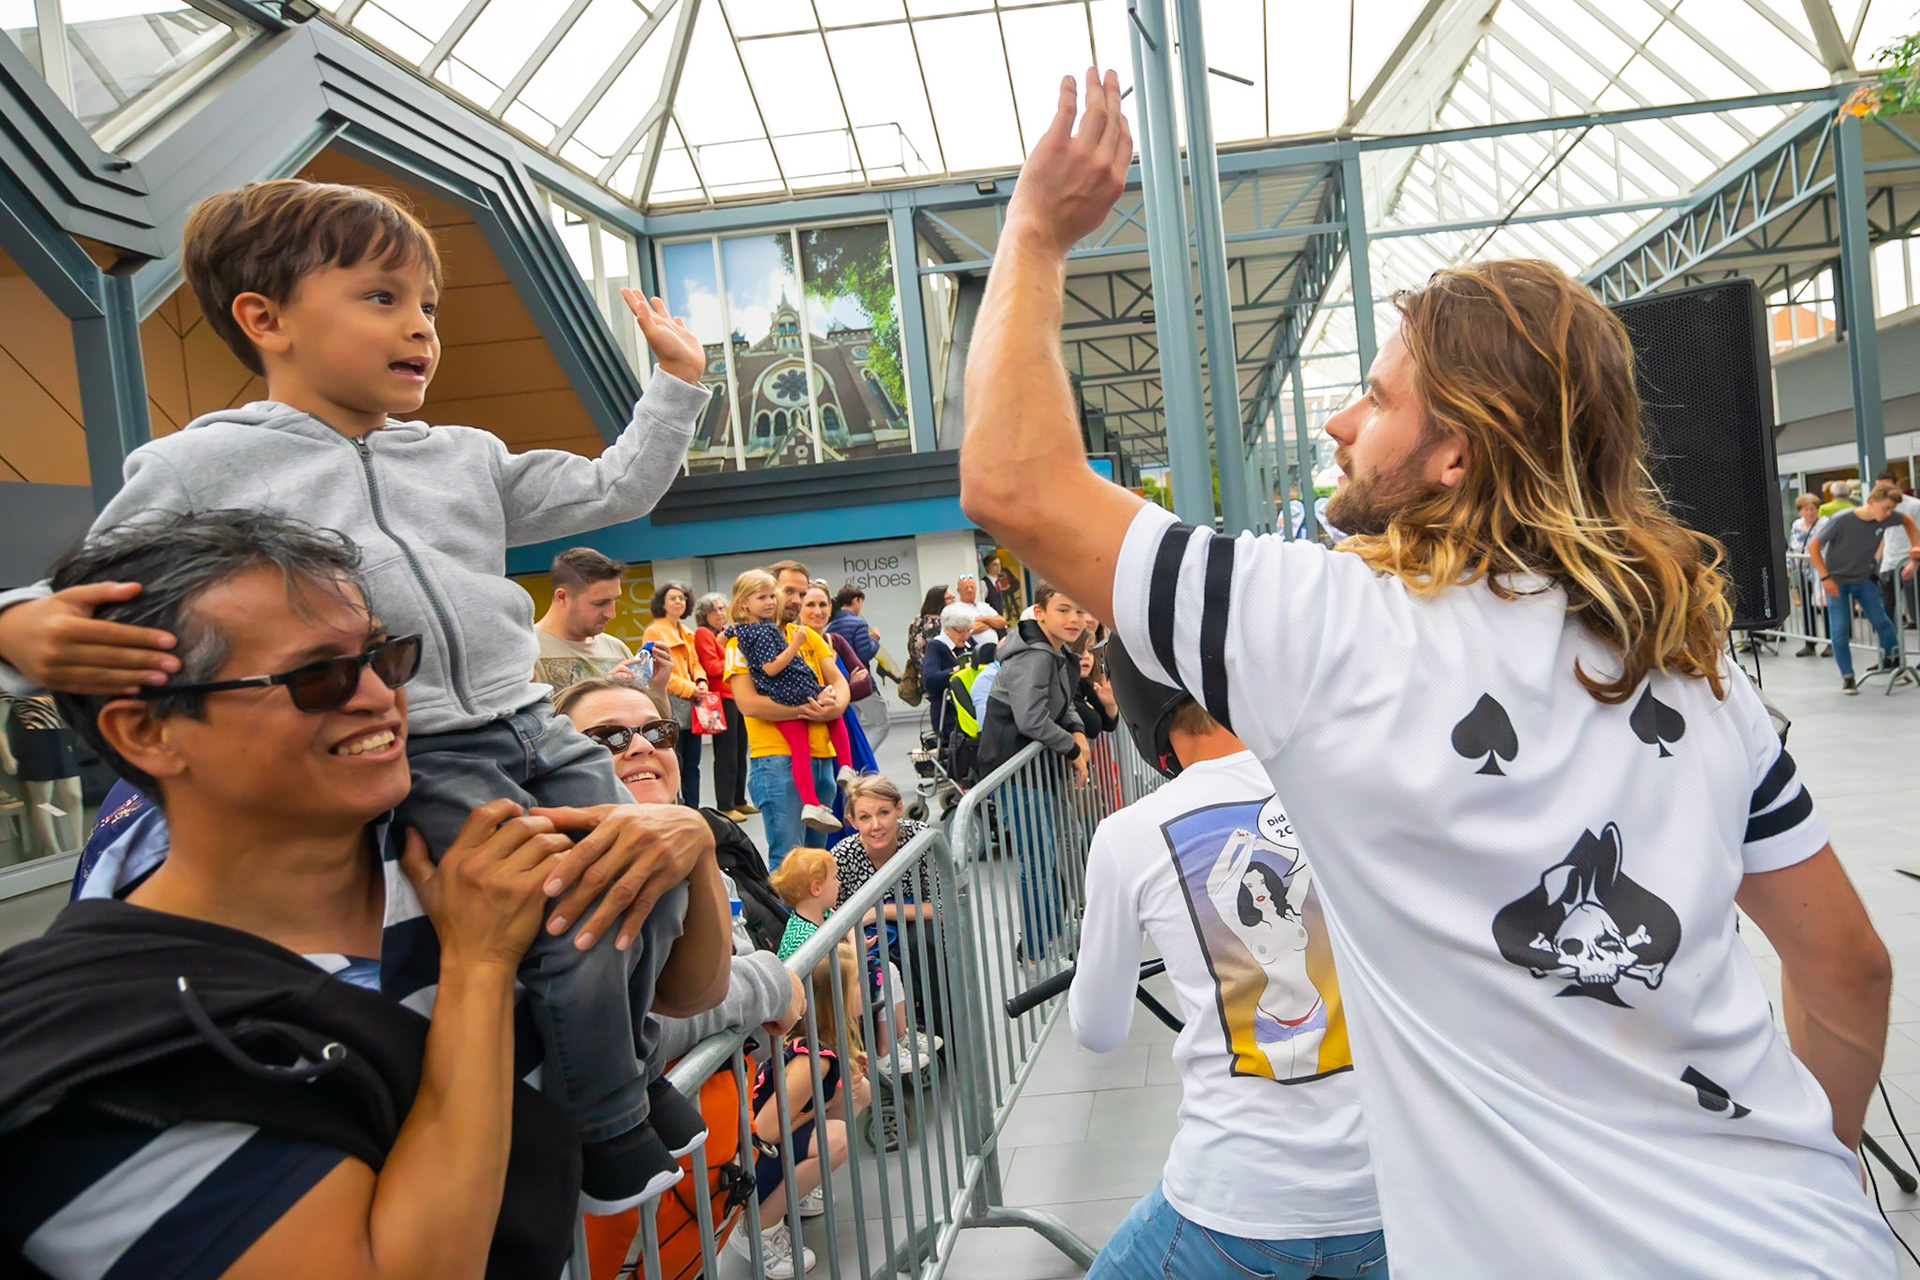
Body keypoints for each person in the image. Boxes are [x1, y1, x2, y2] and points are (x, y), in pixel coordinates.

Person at [958, 68, 1895, 1275]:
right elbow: (1847, 967)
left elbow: (1014, 485)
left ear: (1453, 452)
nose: (1343, 423)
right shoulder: (1697, 668)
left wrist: (1034, 232)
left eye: (1380, 398)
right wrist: (1814, 1162)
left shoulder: (1326, 629)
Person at [0, 179, 717, 1212]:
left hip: (526, 719)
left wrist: (677, 387)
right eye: (382, 297)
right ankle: (607, 1129)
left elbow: (612, 490)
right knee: (563, 916)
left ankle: (624, 1074)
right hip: (427, 744)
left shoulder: (464, 456)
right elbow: (94, 576)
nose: (420, 327)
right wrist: (21, 628)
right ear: (265, 319)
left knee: (636, 881)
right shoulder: (201, 463)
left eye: (428, 306)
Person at [0, 511, 729, 1278]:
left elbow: (685, 992)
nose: (381, 696)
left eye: (387, 656)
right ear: (148, 734)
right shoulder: (111, 1057)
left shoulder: (452, 850)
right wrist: (479, 971)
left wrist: (692, 847)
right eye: (317, 677)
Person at [1073, 639, 1383, 1279]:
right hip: (1386, 1193)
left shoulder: (1131, 834)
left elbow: (1098, 1030)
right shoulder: (1352, 787)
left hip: (1237, 1201)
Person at [548, 674, 805, 1067]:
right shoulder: (561, 878)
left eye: (658, 732)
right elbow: (619, 1035)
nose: (640, 746)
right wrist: (766, 983)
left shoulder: (700, 854)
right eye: (606, 738)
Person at [737, 941, 872, 1279]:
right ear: (835, 999)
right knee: (835, 1139)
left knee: (861, 1092)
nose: (864, 989)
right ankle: (757, 1226)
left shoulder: (823, 1045)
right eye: (857, 983)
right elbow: (765, 1129)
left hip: (768, 1149)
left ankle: (792, 1190)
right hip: (750, 1162)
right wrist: (827, 1104)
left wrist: (847, 1082)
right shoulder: (810, 1061)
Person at [980, 582, 1088, 961]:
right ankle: (1036, 948)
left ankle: (1052, 936)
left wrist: (1077, 732)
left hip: (1038, 772)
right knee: (1039, 859)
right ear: (1039, 613)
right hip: (1017, 773)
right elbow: (1031, 719)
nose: (1074, 618)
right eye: (1063, 610)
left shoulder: (1054, 652)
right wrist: (1073, 746)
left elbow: (1062, 704)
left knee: (1061, 846)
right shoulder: (1035, 656)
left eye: (1078, 610)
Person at [725, 568, 851, 865]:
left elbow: (839, 681)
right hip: (777, 760)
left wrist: (836, 707)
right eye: (787, 591)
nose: (795, 600)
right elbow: (748, 704)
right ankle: (786, 914)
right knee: (789, 860)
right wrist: (806, 712)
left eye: (802, 593)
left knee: (818, 857)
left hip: (822, 758)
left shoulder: (806, 636)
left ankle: (819, 913)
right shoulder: (741, 643)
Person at [832, 774, 946, 1050]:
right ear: (851, 821)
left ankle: (940, 1029)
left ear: (898, 808)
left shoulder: (920, 840)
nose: (876, 825)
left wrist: (879, 910)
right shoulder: (842, 856)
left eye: (883, 813)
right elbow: (833, 916)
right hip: (864, 936)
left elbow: (941, 907)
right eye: (864, 817)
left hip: (917, 927)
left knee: (924, 941)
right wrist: (852, 936)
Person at [1808, 481, 1919, 693]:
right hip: (1837, 582)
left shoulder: (1886, 517)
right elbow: (1814, 546)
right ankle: (1848, 677)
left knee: (1882, 622)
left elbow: (1908, 521)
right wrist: (1825, 577)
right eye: (1886, 508)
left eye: (1891, 509)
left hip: (1864, 578)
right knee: (1839, 629)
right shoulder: (1842, 520)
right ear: (1871, 502)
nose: (1889, 513)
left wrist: (1916, 548)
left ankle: (1894, 661)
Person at [533, 547, 641, 691]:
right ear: (562, 597)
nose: (611, 614)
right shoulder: (527, 651)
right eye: (600, 603)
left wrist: (658, 687)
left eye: (614, 600)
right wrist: (602, 690)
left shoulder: (617, 648)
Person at [644, 580, 707, 807]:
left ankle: (694, 808)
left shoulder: (687, 631)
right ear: (662, 603)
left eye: (682, 597)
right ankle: (676, 808)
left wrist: (701, 681)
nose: (678, 602)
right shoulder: (654, 630)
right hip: (672, 701)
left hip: (692, 703)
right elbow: (657, 671)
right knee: (675, 762)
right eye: (673, 598)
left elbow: (696, 663)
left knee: (693, 763)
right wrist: (691, 689)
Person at [695, 591, 754, 821]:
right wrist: (738, 664)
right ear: (704, 615)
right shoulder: (703, 634)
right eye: (714, 610)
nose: (720, 613)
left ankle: (739, 800)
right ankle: (726, 804)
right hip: (720, 698)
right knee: (727, 753)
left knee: (740, 751)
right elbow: (711, 666)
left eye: (722, 609)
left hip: (736, 696)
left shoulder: (725, 634)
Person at [825, 584, 890, 749]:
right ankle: (863, 760)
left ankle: (850, 760)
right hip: (860, 680)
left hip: (843, 683)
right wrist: (874, 639)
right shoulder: (858, 623)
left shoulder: (831, 627)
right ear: (856, 600)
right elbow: (864, 654)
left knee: (852, 726)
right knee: (881, 724)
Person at [1873, 470, 1920, 634]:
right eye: (1879, 488)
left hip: (1910, 563)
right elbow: (1885, 535)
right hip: (1889, 564)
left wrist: (1915, 562)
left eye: (1886, 487)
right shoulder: (1880, 507)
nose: (1883, 492)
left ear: (1897, 485)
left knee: (1916, 613)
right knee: (1886, 612)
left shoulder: (1914, 506)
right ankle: (1890, 656)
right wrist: (1876, 561)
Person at [920, 604, 974, 739]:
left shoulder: (968, 644)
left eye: (969, 630)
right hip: (949, 715)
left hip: (971, 712)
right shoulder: (936, 646)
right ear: (947, 629)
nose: (966, 636)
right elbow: (929, 681)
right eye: (961, 631)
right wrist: (958, 670)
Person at [1788, 492, 1831, 658]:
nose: (1810, 512)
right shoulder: (1797, 525)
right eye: (1806, 509)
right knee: (1807, 607)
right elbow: (1794, 546)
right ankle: (1809, 643)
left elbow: (1824, 545)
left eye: (1813, 509)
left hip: (1822, 569)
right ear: (1800, 511)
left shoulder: (1825, 524)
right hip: (1804, 571)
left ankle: (1829, 642)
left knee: (1825, 606)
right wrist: (1790, 565)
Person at [904, 584, 954, 703]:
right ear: (939, 601)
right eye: (950, 598)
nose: (953, 601)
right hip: (940, 677)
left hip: (923, 676)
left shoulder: (917, 621)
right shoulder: (938, 623)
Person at [951, 573, 1007, 647]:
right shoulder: (956, 608)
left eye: (972, 587)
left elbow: (1002, 622)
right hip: (974, 651)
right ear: (959, 591)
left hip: (995, 648)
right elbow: (969, 629)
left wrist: (982, 619)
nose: (970, 590)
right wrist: (992, 624)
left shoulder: (983, 606)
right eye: (966, 588)